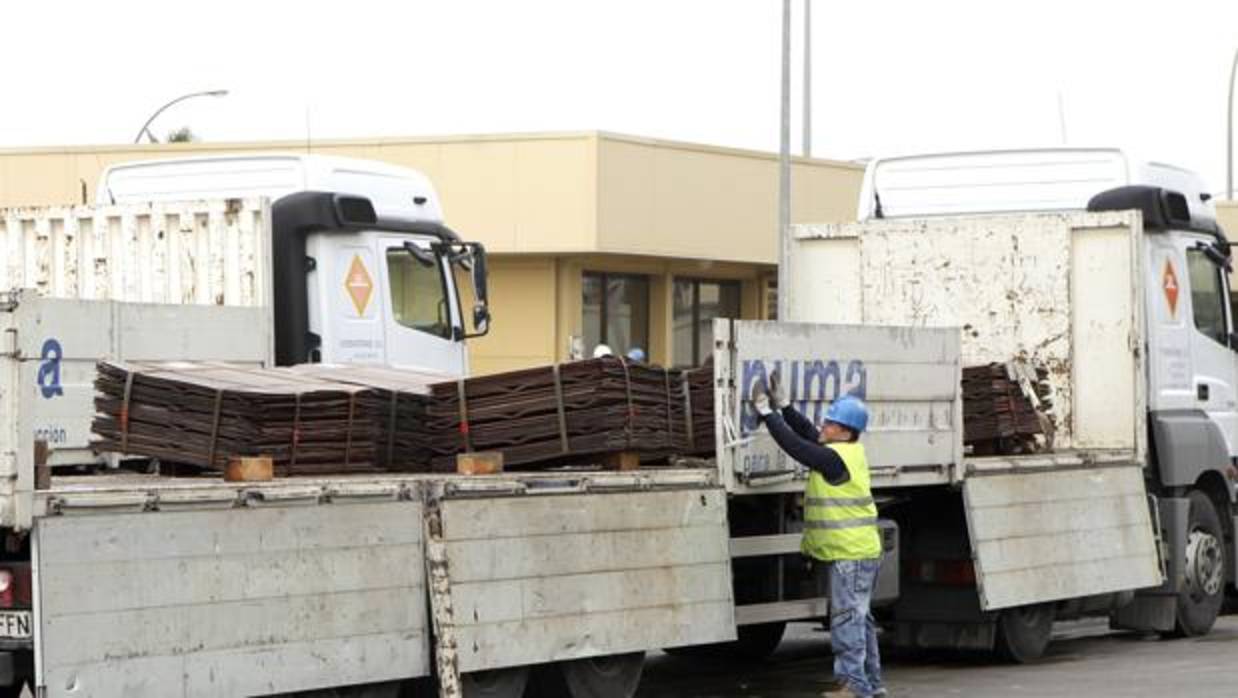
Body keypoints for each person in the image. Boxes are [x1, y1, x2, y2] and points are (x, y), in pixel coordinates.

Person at [751, 373, 884, 698]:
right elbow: (808, 434)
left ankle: (853, 686)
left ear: (845, 431)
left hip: (850, 556)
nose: (823, 426)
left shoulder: (833, 457)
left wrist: (766, 413)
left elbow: (798, 446)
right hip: (858, 553)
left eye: (830, 423)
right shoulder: (844, 452)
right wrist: (784, 406)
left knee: (847, 620)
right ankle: (871, 684)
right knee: (859, 620)